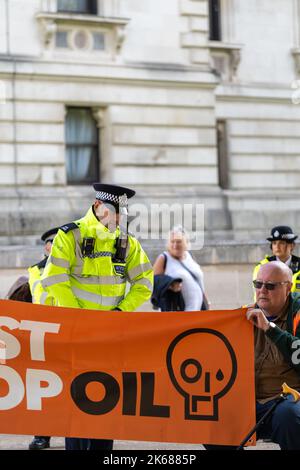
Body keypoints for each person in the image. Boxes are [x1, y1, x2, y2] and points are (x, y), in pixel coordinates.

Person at [40, 183, 153, 451]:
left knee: (107, 401)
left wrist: (120, 313)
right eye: (113, 212)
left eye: (122, 213)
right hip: (76, 335)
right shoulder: (70, 236)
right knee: (78, 403)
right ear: (97, 206)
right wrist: (80, 320)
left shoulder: (127, 242)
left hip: (111, 336)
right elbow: (55, 280)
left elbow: (144, 282)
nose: (117, 218)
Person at [205, 261, 300, 450]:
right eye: (258, 284)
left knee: (288, 416)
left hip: (290, 399)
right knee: (212, 418)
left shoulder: (297, 314)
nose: (262, 290)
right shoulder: (242, 317)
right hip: (248, 401)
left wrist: (270, 329)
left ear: (288, 288)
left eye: (270, 286)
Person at [28, 226, 60, 451]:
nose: (56, 245)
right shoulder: (34, 271)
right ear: (46, 247)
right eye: (52, 241)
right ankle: (42, 435)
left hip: (70, 332)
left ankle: (77, 434)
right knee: (43, 387)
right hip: (43, 335)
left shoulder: (77, 267)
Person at [153, 226, 209, 311]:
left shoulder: (189, 256)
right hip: (177, 312)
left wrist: (206, 301)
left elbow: (198, 281)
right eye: (172, 242)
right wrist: (170, 285)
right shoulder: (164, 258)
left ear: (186, 242)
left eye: (179, 242)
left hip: (197, 311)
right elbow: (153, 282)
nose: (175, 245)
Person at [253, 226, 300, 293]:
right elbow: (258, 293)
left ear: (292, 245)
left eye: (282, 243)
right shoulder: (262, 266)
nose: (277, 247)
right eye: (274, 243)